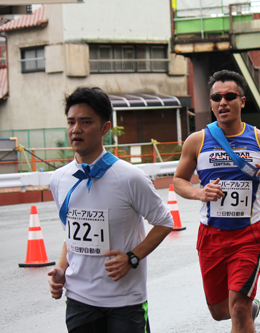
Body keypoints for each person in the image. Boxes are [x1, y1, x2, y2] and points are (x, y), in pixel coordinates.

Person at [173, 70, 260, 333]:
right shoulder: (197, 140)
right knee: (220, 311)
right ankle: (248, 308)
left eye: (229, 96)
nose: (222, 102)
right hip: (211, 235)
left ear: (242, 101)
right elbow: (179, 181)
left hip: (248, 234)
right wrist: (199, 193)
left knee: (238, 309)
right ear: (211, 102)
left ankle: (244, 308)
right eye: (216, 97)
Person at [48, 87, 174, 333]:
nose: (76, 129)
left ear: (105, 128)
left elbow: (164, 222)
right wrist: (62, 268)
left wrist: (132, 257)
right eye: (71, 122)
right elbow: (71, 234)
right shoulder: (58, 179)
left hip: (125, 300)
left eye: (86, 122)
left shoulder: (129, 177)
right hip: (79, 299)